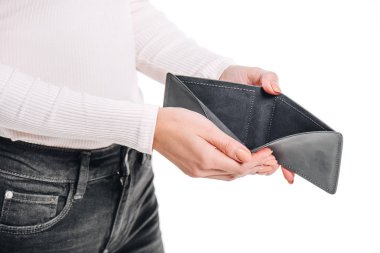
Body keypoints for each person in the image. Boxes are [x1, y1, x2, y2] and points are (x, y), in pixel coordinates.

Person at [0, 0, 294, 252]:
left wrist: (216, 75)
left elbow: (118, 11)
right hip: (30, 192)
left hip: (130, 173)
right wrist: (147, 127)